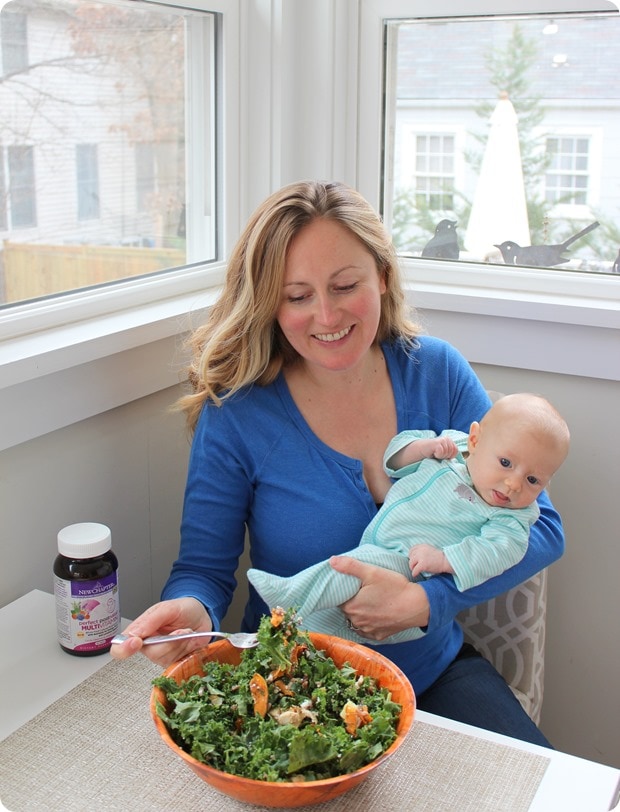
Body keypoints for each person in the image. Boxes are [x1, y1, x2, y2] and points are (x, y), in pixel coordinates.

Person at [111, 180, 565, 748]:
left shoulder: (437, 372)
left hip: (431, 675)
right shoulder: (238, 413)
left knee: (545, 783)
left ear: (383, 276)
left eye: (346, 285)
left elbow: (543, 529)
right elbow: (204, 570)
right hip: (291, 681)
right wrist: (194, 611)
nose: (326, 315)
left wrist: (427, 602)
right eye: (297, 296)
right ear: (270, 304)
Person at [247, 392, 569, 645]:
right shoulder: (451, 447)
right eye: (505, 463)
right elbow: (394, 461)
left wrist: (444, 559)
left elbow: (496, 553)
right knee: (329, 622)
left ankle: (288, 596)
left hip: (410, 572)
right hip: (384, 549)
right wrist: (423, 448)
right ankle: (298, 633)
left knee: (343, 569)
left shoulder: (511, 519)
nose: (513, 484)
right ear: (475, 440)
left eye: (533, 480)